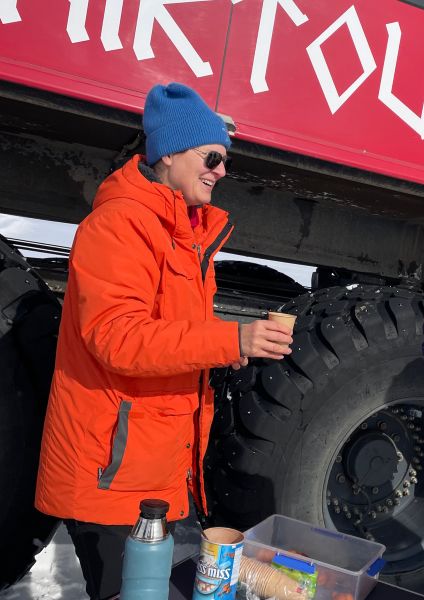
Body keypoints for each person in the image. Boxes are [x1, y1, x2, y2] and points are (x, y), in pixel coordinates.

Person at [35, 82, 293, 600]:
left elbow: (169, 340)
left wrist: (231, 352)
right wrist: (231, 337)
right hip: (109, 476)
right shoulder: (120, 225)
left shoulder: (184, 235)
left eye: (224, 160)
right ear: (169, 154)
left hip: (148, 473)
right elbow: (119, 338)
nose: (223, 170)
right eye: (212, 156)